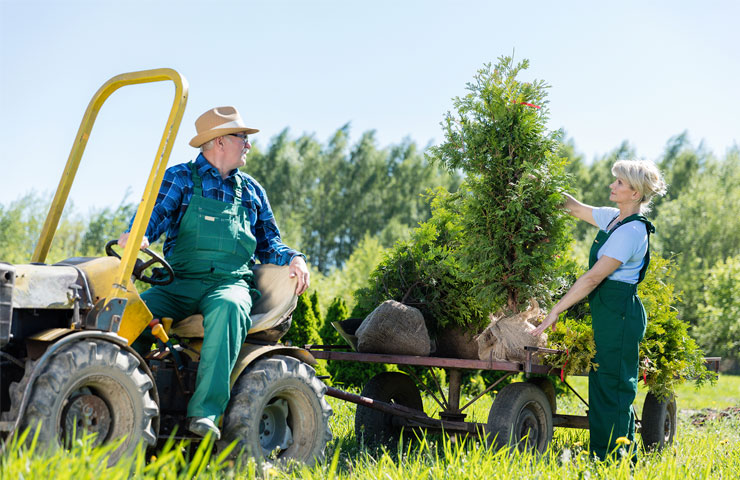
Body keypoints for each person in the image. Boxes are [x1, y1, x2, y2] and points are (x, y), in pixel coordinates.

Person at [118, 106, 310, 440]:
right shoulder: (179, 178)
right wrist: (138, 237)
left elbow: (270, 244)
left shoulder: (251, 191)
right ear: (219, 142)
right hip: (178, 282)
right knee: (127, 315)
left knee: (230, 308)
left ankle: (205, 413)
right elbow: (151, 218)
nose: (248, 144)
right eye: (242, 137)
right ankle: (121, 396)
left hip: (229, 282)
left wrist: (294, 258)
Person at [531, 159, 667, 460]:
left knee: (614, 388)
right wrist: (541, 180)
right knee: (604, 383)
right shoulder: (614, 219)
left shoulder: (632, 232)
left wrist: (557, 310)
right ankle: (607, 455)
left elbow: (593, 278)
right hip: (609, 313)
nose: (612, 185)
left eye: (619, 182)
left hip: (619, 314)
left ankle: (615, 459)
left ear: (635, 194)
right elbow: (575, 208)